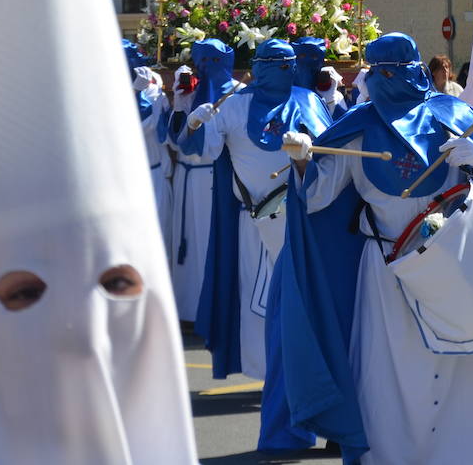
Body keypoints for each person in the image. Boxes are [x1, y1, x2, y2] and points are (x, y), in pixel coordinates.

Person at [279, 32, 473, 465]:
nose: (386, 80)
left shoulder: (453, 114)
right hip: (385, 273)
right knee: (385, 375)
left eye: (393, 71)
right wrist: (303, 159)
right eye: (378, 73)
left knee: (459, 368)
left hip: (455, 268)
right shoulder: (357, 128)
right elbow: (317, 197)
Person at [180, 39, 331, 451]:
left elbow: (332, 157)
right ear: (257, 66)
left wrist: (307, 155)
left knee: (310, 320)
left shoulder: (307, 99)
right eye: (272, 63)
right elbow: (203, 149)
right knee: (278, 322)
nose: (281, 70)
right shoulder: (232, 104)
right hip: (262, 224)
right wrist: (194, 124)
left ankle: (326, 422)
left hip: (310, 222)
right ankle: (291, 425)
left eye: (287, 63)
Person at [161, 40, 235, 322]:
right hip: (187, 177)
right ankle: (187, 309)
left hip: (215, 177)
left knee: (208, 241)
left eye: (212, 62)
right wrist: (180, 106)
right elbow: (173, 140)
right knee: (187, 242)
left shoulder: (232, 94)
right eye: (201, 62)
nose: (205, 69)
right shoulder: (191, 91)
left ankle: (214, 310)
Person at [125, 40, 172, 246]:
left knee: (157, 242)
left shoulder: (152, 90)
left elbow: (147, 125)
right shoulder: (105, 93)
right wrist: (134, 93)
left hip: (152, 176)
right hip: (124, 182)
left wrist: (138, 93)